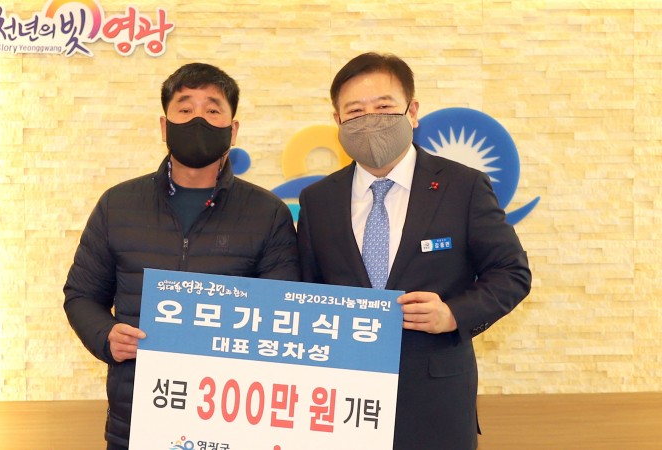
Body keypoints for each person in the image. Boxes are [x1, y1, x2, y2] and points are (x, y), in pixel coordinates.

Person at [296, 52, 531, 450]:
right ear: (337, 120)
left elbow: (511, 273)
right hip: (342, 400)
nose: (370, 119)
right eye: (355, 111)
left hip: (435, 401)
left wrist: (453, 314)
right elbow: (305, 289)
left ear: (413, 111)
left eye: (384, 107)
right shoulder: (318, 200)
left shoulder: (463, 186)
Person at [64, 62, 300, 450]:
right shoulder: (118, 205)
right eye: (185, 109)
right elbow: (81, 295)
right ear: (164, 126)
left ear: (233, 130)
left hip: (232, 423)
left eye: (212, 110)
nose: (198, 120)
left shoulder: (267, 213)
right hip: (136, 420)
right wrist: (106, 336)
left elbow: (283, 311)